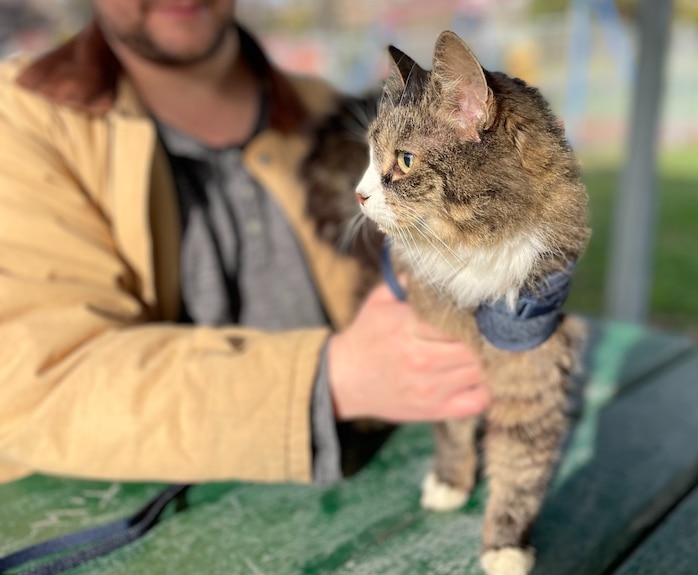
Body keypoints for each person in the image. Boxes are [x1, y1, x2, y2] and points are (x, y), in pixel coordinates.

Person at [0, 0, 489, 485]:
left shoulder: (333, 111)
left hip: (375, 495)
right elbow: (31, 385)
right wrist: (332, 378)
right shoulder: (21, 119)